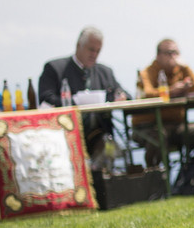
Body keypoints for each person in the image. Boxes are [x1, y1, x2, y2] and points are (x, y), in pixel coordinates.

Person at [37, 26, 128, 164]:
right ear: (79, 45)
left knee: (108, 149)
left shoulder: (105, 72)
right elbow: (46, 98)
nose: (94, 55)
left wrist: (121, 96)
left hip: (99, 135)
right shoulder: (55, 68)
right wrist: (76, 101)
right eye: (91, 49)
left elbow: (122, 93)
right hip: (65, 134)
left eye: (98, 51)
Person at [133, 39, 194, 168]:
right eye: (169, 53)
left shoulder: (181, 70)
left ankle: (192, 175)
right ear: (158, 56)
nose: (173, 57)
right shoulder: (148, 71)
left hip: (176, 125)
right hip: (148, 126)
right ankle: (154, 177)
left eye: (176, 53)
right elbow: (147, 94)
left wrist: (186, 66)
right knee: (158, 138)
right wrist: (171, 91)